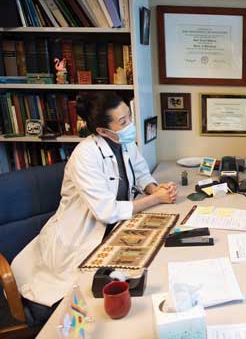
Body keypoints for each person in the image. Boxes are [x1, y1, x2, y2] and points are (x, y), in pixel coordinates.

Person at [11, 91, 177, 325]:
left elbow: (141, 173)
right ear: (102, 130)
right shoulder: (85, 155)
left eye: (129, 117)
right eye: (123, 122)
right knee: (88, 305)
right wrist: (156, 199)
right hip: (78, 238)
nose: (130, 125)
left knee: (150, 269)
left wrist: (154, 188)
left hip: (113, 232)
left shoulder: (125, 142)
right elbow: (106, 211)